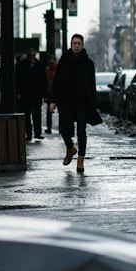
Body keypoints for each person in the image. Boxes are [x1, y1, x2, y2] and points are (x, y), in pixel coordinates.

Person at [49, 34, 100, 173]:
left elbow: (92, 85)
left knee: (81, 131)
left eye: (79, 43)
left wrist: (93, 104)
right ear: (71, 45)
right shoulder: (64, 61)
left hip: (82, 102)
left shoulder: (88, 63)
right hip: (66, 101)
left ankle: (81, 159)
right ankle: (70, 148)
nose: (76, 46)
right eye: (74, 43)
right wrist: (52, 101)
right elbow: (57, 82)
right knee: (64, 130)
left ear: (82, 45)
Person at [15, 47, 48, 142]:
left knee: (37, 115)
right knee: (26, 116)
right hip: (25, 95)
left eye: (33, 55)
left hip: (36, 95)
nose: (31, 57)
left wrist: (44, 94)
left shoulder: (40, 66)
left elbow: (44, 81)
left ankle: (37, 133)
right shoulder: (21, 65)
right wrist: (18, 92)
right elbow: (17, 80)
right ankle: (28, 134)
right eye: (30, 55)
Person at [43, 55, 57, 134]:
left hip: (57, 92)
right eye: (50, 63)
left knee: (60, 111)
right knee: (49, 111)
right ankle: (49, 127)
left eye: (52, 63)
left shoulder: (58, 70)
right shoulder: (46, 70)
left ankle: (60, 127)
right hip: (49, 92)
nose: (51, 64)